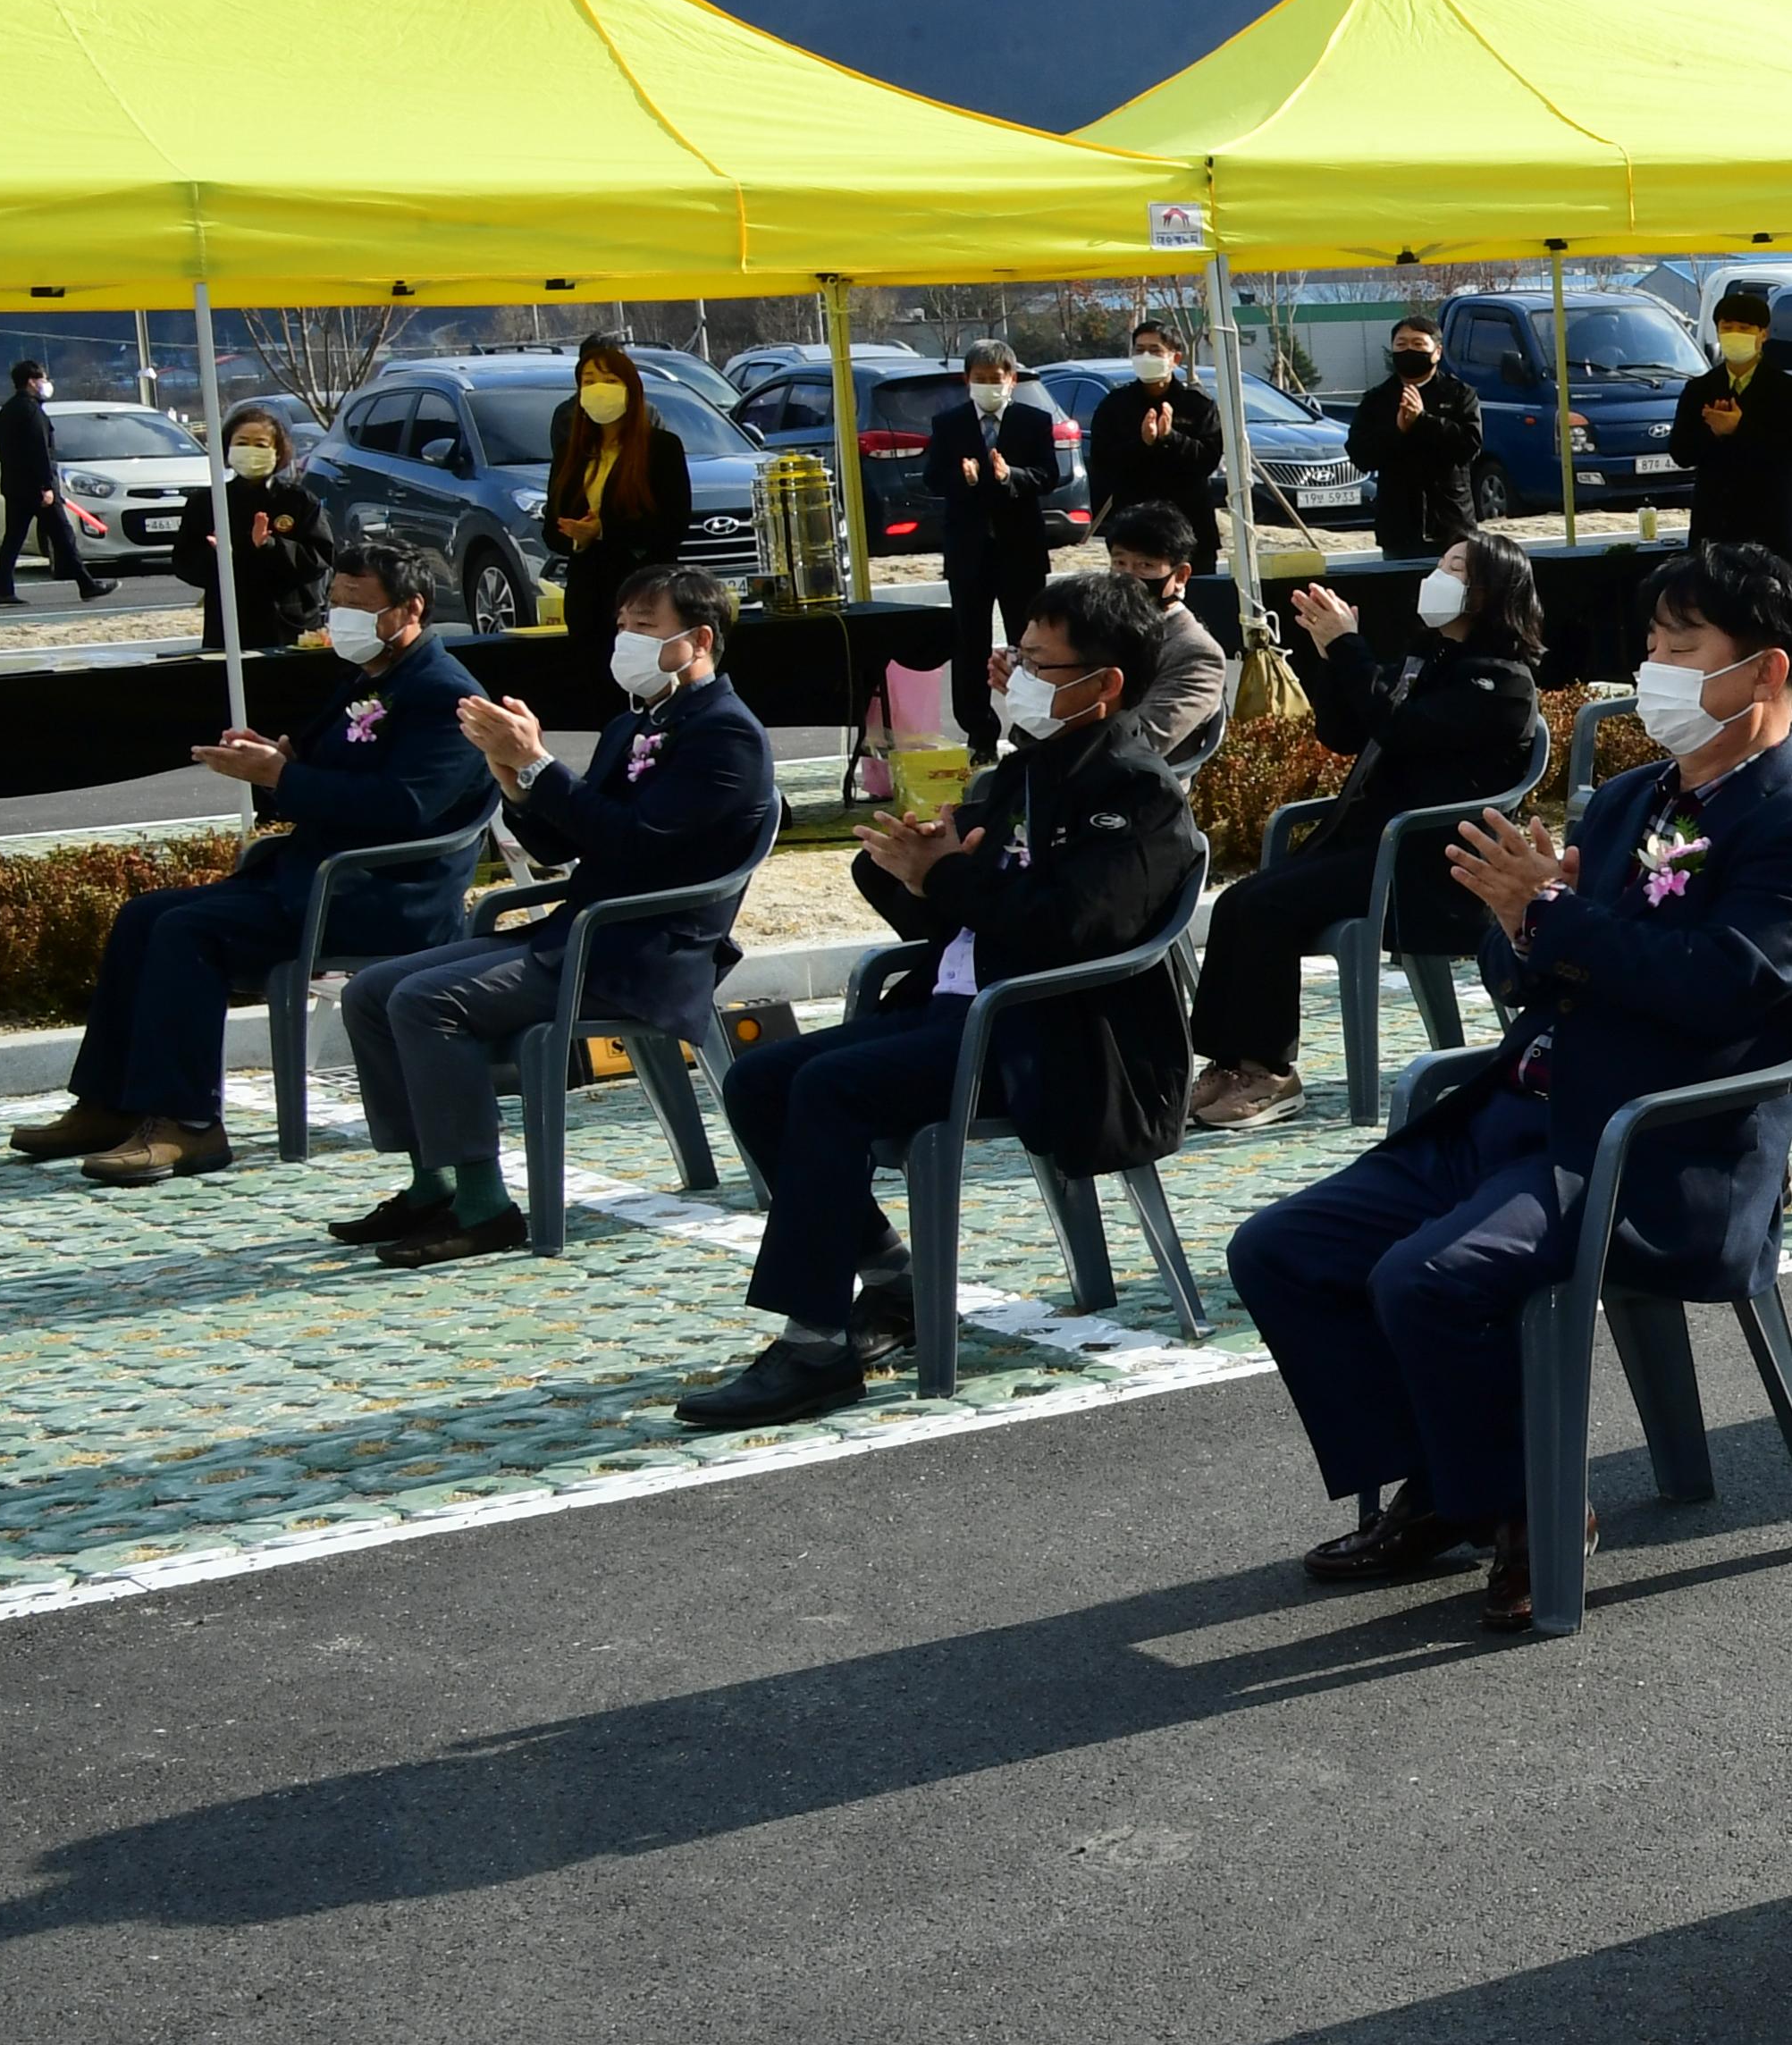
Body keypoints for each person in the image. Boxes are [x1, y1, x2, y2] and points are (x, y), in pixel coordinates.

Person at [1236, 544, 1792, 1624]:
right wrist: (1516, 918)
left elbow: (1728, 988)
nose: (1653, 671)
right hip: (1519, 1108)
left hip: (1645, 1144)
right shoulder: (1629, 799)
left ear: (1765, 672)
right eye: (1652, 647)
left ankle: (1532, 1508)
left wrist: (1561, 918)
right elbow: (1529, 972)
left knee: (1425, 1280)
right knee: (1282, 1248)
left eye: (1681, 650)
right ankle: (1450, 1488)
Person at [683, 574, 1205, 1431]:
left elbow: (1073, 928)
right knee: (760, 1082)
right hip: (957, 1012)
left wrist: (953, 875)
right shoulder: (1021, 773)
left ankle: (814, 1345)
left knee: (830, 1090)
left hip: (1044, 1031)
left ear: (1104, 683)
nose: (1012, 677)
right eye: (1015, 658)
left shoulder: (1134, 791)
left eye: (1038, 663)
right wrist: (907, 870)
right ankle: (892, 1280)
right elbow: (955, 913)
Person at [328, 567, 779, 1266]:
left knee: (426, 1002)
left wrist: (540, 765)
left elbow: (638, 845)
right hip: (581, 931)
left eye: (645, 627)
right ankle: (433, 1182)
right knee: (371, 991)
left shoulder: (727, 736)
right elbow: (562, 841)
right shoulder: (632, 722)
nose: (625, 639)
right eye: (622, 624)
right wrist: (512, 776)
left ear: (699, 641)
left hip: (643, 951)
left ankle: (484, 1206)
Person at [11, 543, 493, 1185]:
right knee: (144, 915)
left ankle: (189, 1124)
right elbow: (321, 765)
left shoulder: (442, 695)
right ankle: (108, 1103)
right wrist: (271, 756)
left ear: (410, 609)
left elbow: (403, 805)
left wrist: (284, 776)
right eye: (337, 602)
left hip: (378, 894)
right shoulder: (367, 678)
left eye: (359, 606)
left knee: (189, 932)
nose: (341, 617)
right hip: (312, 875)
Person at [1184, 534, 1552, 1132]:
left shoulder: (1502, 682)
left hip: (1429, 865)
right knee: (1239, 901)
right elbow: (1349, 733)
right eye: (1439, 564)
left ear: (1489, 592)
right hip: (1374, 849)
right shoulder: (1430, 658)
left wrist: (1349, 647)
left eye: (1456, 569)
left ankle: (1271, 1075)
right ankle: (1232, 1064)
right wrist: (1331, 656)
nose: (1438, 576)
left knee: (1267, 906)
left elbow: (1403, 728)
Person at [927, 340, 1064, 747]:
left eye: (997, 379)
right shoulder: (949, 423)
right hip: (969, 551)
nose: (989, 386)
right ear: (967, 380)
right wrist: (964, 479)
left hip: (1019, 549)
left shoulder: (1033, 420)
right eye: (980, 379)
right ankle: (979, 732)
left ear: (1012, 380)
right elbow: (932, 479)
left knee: (1031, 640)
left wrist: (1010, 477)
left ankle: (1032, 727)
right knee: (970, 642)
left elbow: (1048, 476)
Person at [537, 336, 691, 670]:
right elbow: (552, 530)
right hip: (588, 599)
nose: (598, 389)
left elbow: (674, 524)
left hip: (645, 595)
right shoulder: (570, 453)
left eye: (609, 380)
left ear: (630, 388)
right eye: (589, 382)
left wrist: (605, 530)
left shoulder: (661, 448)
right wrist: (577, 537)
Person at [167, 400, 328, 652]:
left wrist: (270, 545)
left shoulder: (299, 501)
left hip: (288, 621)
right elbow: (184, 562)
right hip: (230, 621)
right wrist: (216, 555)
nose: (250, 450)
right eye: (241, 443)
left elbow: (320, 558)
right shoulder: (207, 502)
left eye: (260, 445)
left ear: (277, 452)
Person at [1086, 504, 1236, 770]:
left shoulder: (1194, 652)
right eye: (1120, 563)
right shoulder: (1097, 626)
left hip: (1140, 791)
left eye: (1145, 565)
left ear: (1180, 576)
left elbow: (1142, 744)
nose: (1129, 578)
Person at [1353, 313, 1505, 559]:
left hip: (1452, 525)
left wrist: (1423, 420)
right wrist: (1398, 431)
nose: (1408, 350)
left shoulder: (1459, 395)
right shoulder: (1377, 400)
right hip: (1399, 528)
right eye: (1401, 345)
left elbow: (1469, 445)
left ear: (1437, 351)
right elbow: (1361, 455)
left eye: (1418, 344)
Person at [1081, 319, 1228, 568]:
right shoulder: (1115, 405)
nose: (1146, 356)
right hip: (1134, 527)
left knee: (1200, 599)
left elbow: (1208, 459)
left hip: (1190, 527)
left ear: (1175, 358)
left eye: (1155, 350)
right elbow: (1103, 462)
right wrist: (1143, 443)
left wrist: (1170, 438)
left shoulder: (1198, 405)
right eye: (1140, 350)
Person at [0, 358, 103, 604]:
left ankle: (4, 590)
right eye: (43, 379)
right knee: (63, 534)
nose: (46, 384)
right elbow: (39, 451)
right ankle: (87, 584)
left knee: (14, 539)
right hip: (36, 489)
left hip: (15, 486)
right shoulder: (31, 411)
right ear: (31, 382)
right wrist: (46, 487)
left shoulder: (8, 410)